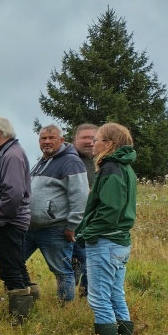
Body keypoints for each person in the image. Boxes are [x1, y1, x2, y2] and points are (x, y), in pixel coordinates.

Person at [76, 123, 137, 335]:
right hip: (119, 242)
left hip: (105, 242)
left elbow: (109, 210)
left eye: (98, 139)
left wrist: (87, 233)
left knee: (99, 299)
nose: (93, 143)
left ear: (109, 145)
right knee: (115, 294)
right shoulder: (124, 167)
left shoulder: (111, 167)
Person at [24, 125, 89, 303]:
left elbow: (80, 196)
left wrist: (72, 225)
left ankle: (65, 308)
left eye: (51, 138)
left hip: (55, 228)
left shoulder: (71, 162)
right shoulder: (42, 161)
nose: (47, 141)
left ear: (61, 140)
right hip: (31, 227)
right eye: (43, 138)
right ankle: (28, 293)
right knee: (14, 259)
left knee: (61, 270)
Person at [0, 117, 34, 321]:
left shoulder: (11, 156)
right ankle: (30, 309)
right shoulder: (9, 153)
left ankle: (19, 319)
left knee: (10, 268)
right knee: (17, 264)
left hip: (9, 222)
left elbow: (14, 193)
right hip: (9, 220)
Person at [71, 123, 99, 295]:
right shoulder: (69, 160)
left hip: (94, 222)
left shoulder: (100, 161)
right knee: (79, 260)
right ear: (75, 140)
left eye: (93, 138)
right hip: (74, 223)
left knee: (91, 261)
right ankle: (70, 296)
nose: (89, 142)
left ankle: (85, 294)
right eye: (84, 137)